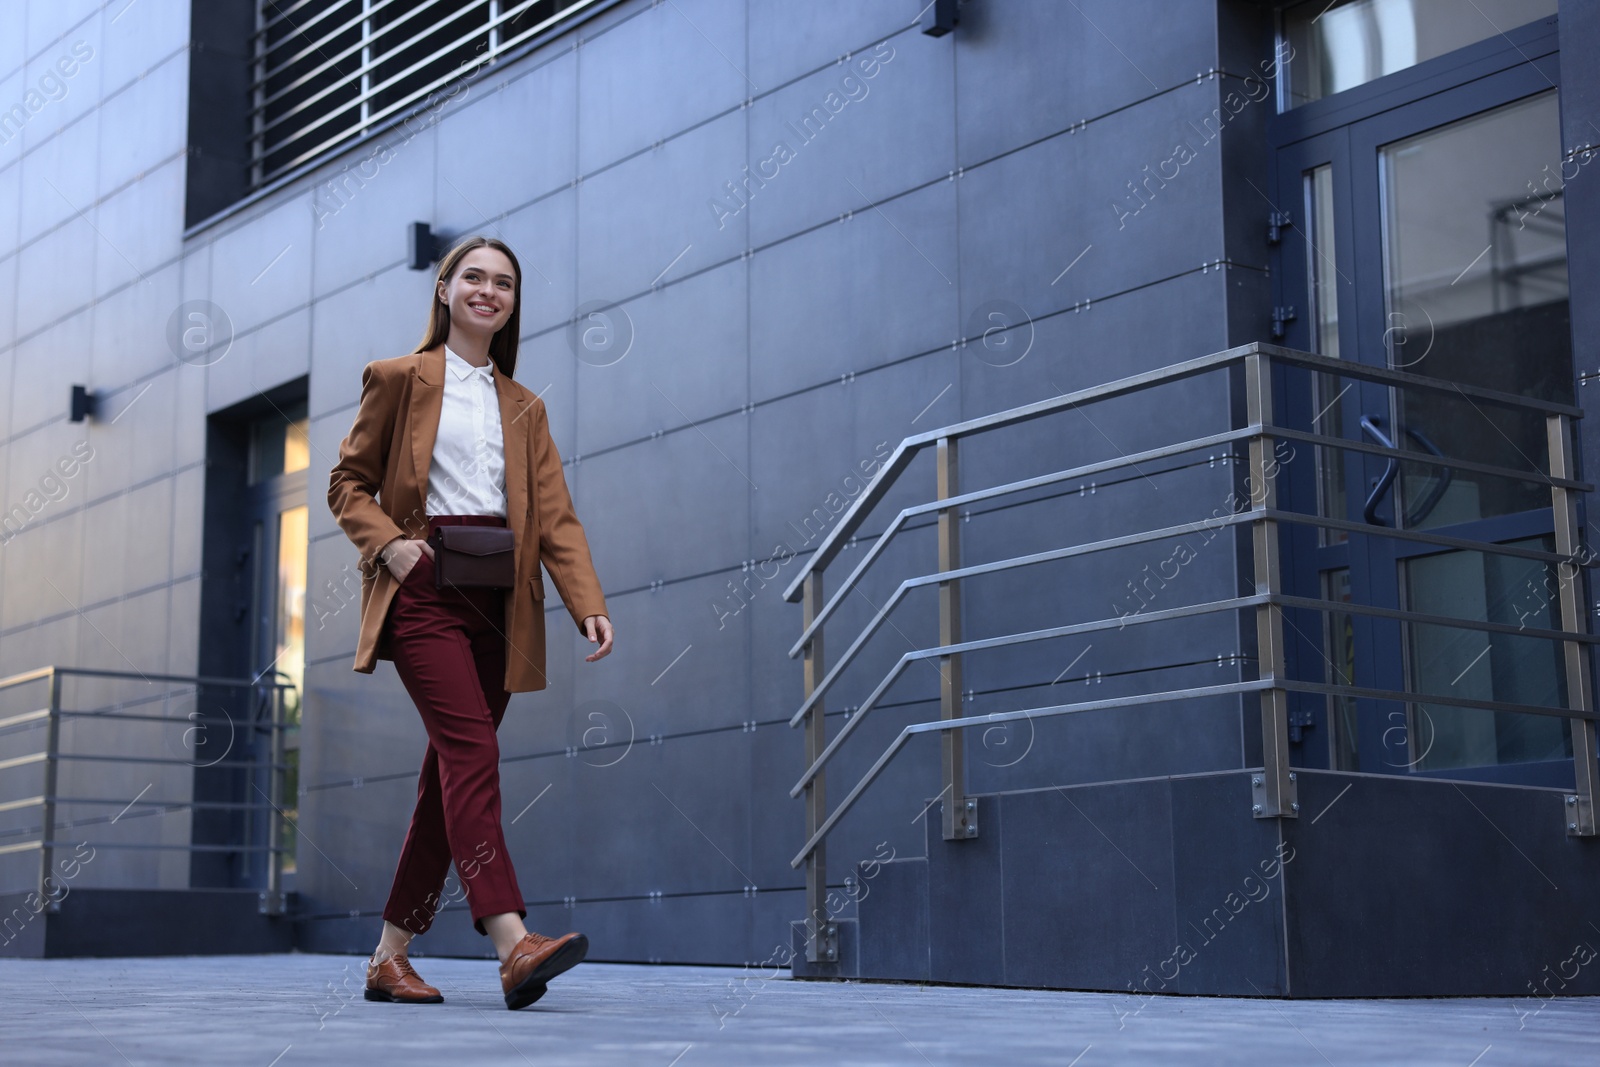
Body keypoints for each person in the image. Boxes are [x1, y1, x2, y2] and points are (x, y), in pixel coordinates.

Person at [327, 234, 615, 1010]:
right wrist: (390, 549)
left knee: (448, 778)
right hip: (424, 592)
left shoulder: (525, 406)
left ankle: (390, 957)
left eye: (505, 284)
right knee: (472, 751)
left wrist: (585, 601)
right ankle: (511, 939)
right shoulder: (397, 378)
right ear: (446, 289)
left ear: (513, 303)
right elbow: (348, 484)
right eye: (474, 278)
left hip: (501, 603)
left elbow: (554, 516)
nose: (489, 291)